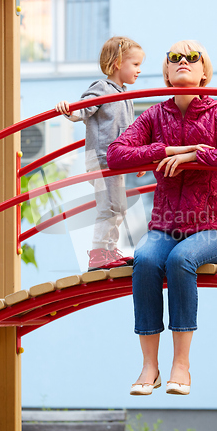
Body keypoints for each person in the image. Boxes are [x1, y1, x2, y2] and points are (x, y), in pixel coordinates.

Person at [107, 40, 217, 395]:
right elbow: (117, 155)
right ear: (165, 71)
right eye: (173, 57)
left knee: (181, 260)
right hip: (165, 226)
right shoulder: (154, 116)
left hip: (215, 229)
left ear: (204, 72)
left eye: (192, 57)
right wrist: (169, 150)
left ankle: (182, 364)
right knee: (145, 260)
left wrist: (197, 157)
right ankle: (150, 366)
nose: (182, 61)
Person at [55, 36, 145, 271]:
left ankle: (108, 250)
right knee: (109, 207)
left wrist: (137, 156)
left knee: (119, 207)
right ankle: (99, 254)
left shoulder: (125, 95)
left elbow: (130, 131)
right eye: (135, 64)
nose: (139, 70)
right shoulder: (103, 88)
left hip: (118, 160)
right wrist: (69, 110)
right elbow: (83, 110)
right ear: (117, 63)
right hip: (103, 158)